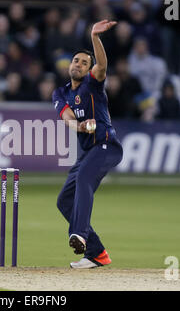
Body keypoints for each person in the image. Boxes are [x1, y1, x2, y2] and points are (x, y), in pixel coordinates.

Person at [52, 20, 123, 269]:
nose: (79, 65)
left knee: (83, 179)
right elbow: (68, 118)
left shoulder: (92, 84)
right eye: (76, 61)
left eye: (84, 62)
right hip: (87, 152)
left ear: (88, 69)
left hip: (106, 146)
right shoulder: (60, 94)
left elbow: (102, 66)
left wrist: (95, 36)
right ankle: (97, 254)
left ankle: (79, 234)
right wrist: (80, 126)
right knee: (64, 201)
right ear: (69, 65)